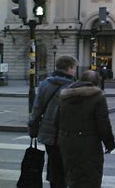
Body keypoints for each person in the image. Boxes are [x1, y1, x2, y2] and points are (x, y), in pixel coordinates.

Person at [56, 70, 115, 188]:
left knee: (72, 176)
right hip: (89, 144)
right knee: (90, 177)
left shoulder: (65, 96)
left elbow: (56, 120)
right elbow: (103, 124)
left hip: (67, 142)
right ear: (96, 82)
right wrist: (109, 143)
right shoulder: (97, 97)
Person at [28, 55, 76, 188]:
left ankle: (54, 184)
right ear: (69, 68)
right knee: (65, 165)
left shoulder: (46, 83)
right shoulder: (73, 86)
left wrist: (32, 126)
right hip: (65, 133)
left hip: (48, 132)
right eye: (73, 68)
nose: (74, 71)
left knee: (53, 163)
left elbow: (37, 108)